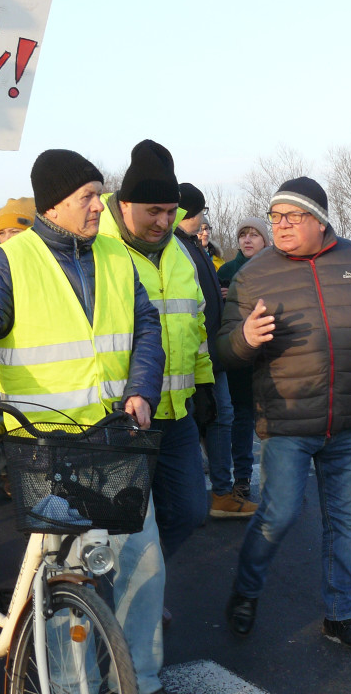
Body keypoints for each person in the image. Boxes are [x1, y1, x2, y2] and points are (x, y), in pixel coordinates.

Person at [0, 148, 169, 694]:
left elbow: (147, 331)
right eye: (88, 197)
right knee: (64, 587)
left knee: (144, 570)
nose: (100, 206)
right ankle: (68, 685)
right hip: (47, 448)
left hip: (114, 441)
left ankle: (141, 683)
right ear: (55, 203)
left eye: (100, 196)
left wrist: (141, 389)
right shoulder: (13, 261)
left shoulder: (116, 255)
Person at [219, 177, 351, 653]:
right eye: (275, 217)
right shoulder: (253, 274)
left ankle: (340, 614)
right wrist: (244, 337)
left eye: (293, 216)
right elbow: (224, 351)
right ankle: (245, 592)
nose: (281, 226)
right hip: (287, 424)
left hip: (348, 421)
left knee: (345, 522)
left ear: (320, 219)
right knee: (278, 514)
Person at [97, 140, 214, 560]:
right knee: (119, 524)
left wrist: (204, 384)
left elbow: (194, 321)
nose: (164, 222)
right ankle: (129, 603)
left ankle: (147, 580)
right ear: (125, 204)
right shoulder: (99, 248)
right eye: (154, 212)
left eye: (171, 212)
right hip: (120, 412)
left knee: (189, 510)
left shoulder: (180, 252)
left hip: (176, 413)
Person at [175, 184, 256, 518]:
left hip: (209, 354)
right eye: (200, 212)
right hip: (194, 355)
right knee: (209, 423)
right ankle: (211, 495)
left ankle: (218, 493)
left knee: (220, 419)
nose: (203, 218)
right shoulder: (176, 249)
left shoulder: (193, 247)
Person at [216, 217, 270, 500]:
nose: (247, 240)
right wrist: (222, 298)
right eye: (243, 235)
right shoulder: (226, 271)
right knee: (242, 420)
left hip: (273, 359)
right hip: (239, 360)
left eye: (254, 235)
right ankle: (243, 478)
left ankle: (283, 479)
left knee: (275, 423)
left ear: (265, 240)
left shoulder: (279, 268)